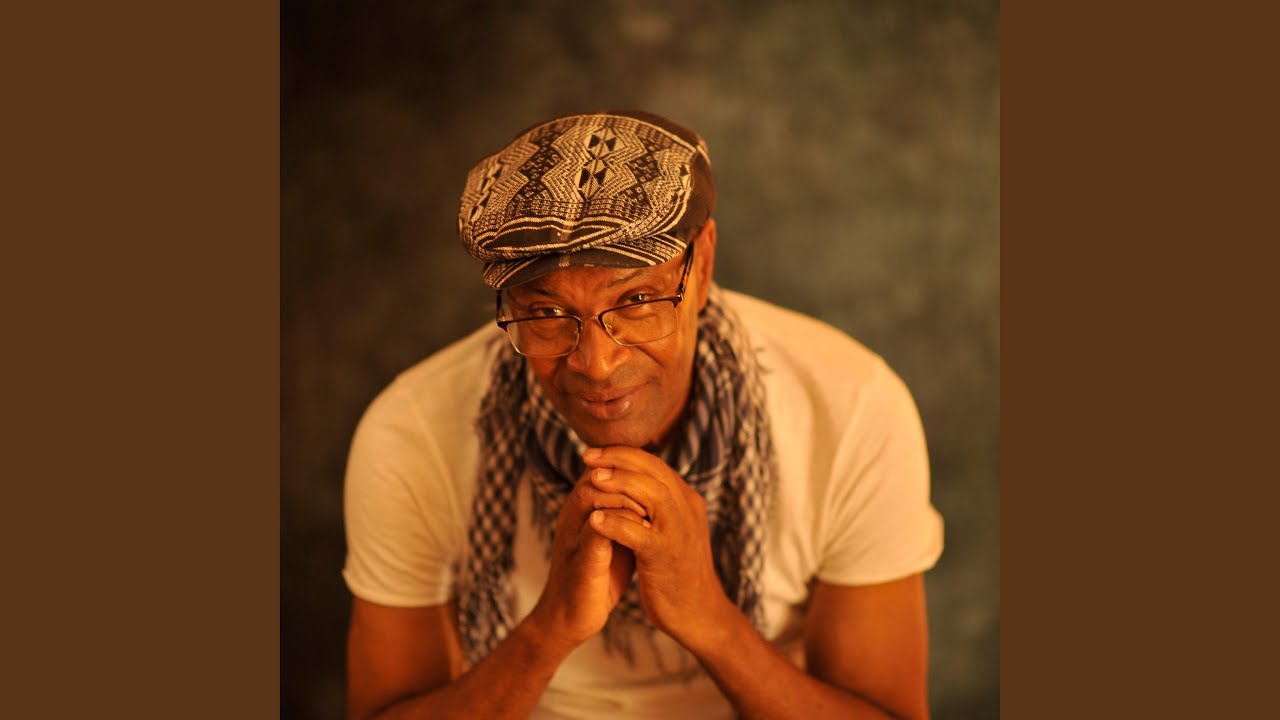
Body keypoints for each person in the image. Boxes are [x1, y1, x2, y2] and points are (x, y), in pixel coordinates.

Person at [341, 110, 944, 719]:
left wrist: (707, 618)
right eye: (546, 314)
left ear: (701, 266)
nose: (597, 363)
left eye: (636, 300)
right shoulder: (413, 433)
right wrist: (549, 630)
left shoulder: (850, 410)